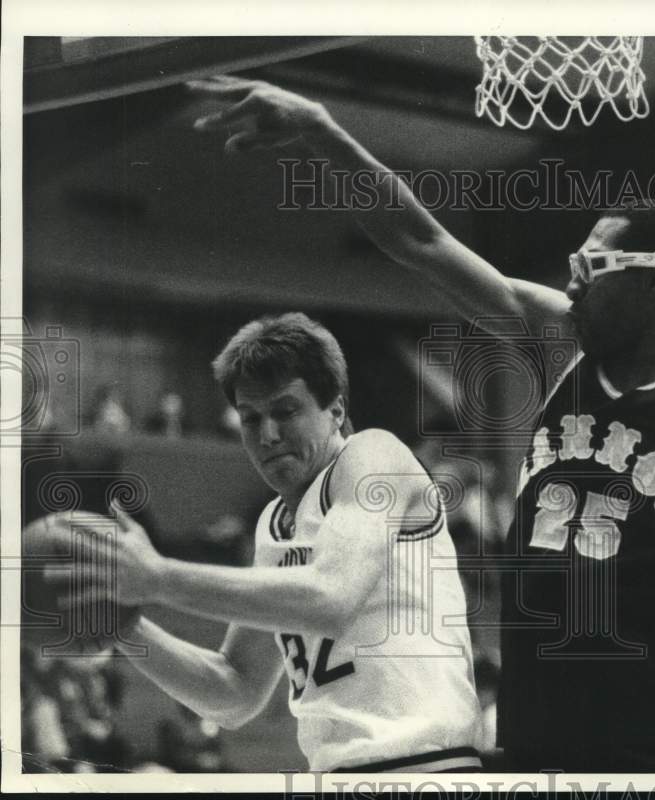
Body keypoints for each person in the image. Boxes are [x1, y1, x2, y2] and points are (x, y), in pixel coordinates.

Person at [187, 77, 655, 772]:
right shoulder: (560, 341)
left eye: (592, 267)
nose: (571, 282)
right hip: (535, 741)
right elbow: (422, 241)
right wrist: (320, 128)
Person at [60, 313, 482, 772]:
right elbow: (234, 691)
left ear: (336, 411)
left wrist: (159, 578)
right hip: (337, 775)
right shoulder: (275, 524)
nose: (267, 435)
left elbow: (332, 599)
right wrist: (124, 626)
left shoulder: (373, 455)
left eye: (285, 411)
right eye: (251, 418)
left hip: (428, 769)